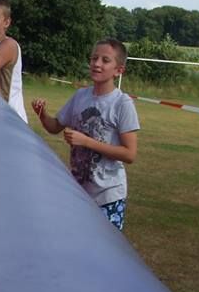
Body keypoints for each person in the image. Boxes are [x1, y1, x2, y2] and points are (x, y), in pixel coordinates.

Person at [31, 38, 140, 231]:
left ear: (118, 70)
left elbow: (129, 154)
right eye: (94, 58)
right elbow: (54, 127)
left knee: (104, 248)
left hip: (108, 195)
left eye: (105, 60)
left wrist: (87, 142)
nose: (97, 64)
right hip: (78, 192)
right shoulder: (80, 96)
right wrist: (42, 114)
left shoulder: (122, 104)